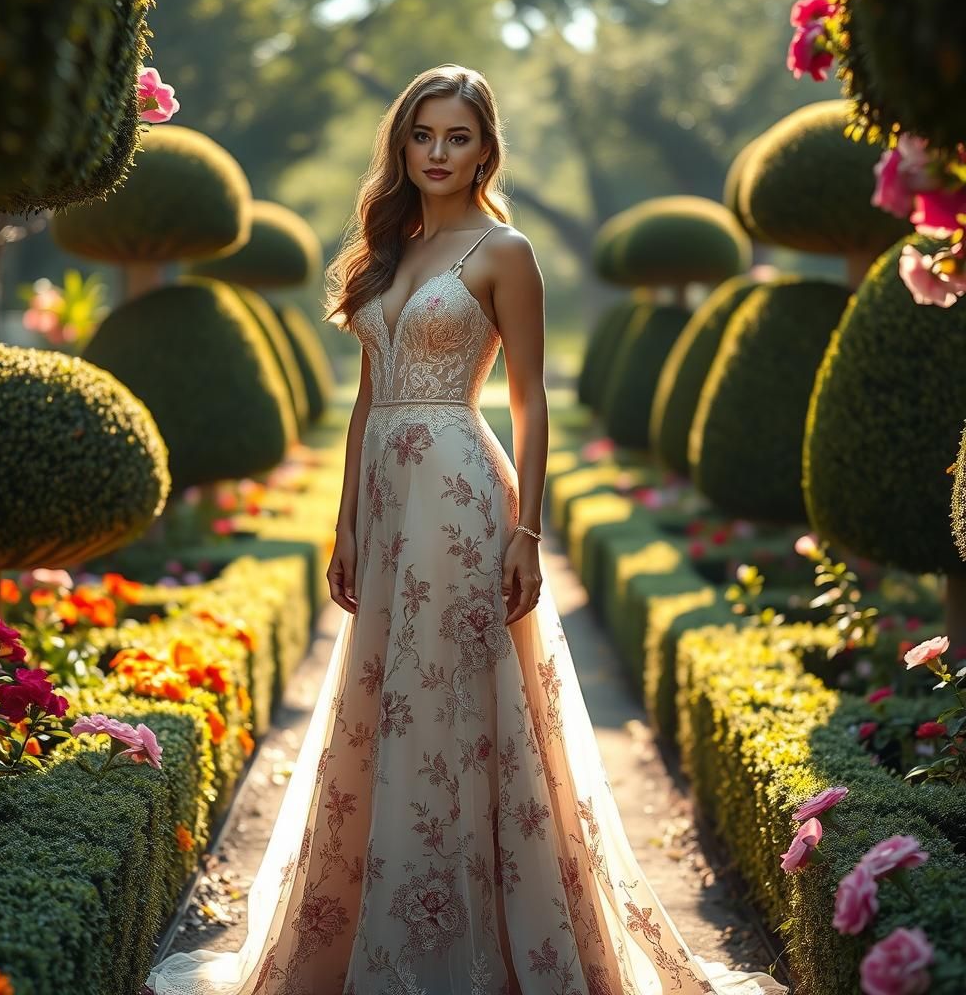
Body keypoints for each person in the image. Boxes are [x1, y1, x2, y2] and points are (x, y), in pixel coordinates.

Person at [144, 64, 788, 995]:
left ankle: (481, 945)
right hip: (390, 508)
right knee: (386, 702)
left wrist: (526, 533)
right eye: (422, 136)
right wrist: (346, 529)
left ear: (485, 148)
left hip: (461, 500)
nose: (438, 153)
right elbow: (368, 403)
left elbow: (529, 403)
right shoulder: (387, 246)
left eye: (457, 137)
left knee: (452, 705)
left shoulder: (504, 251)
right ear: (400, 145)